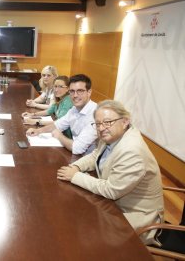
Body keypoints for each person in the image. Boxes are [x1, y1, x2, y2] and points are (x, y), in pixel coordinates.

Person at [57, 100, 164, 245]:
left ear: (125, 121)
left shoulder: (132, 151)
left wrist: (75, 176)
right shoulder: (113, 135)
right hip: (114, 204)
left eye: (108, 122)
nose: (102, 128)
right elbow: (95, 155)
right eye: (98, 123)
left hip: (137, 217)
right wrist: (76, 167)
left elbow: (111, 190)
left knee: (84, 234)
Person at [26, 74, 97, 155]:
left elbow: (77, 148)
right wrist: (38, 131)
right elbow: (58, 124)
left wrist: (59, 136)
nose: (75, 95)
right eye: (72, 91)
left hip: (88, 160)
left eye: (80, 91)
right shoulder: (74, 109)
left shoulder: (94, 114)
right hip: (77, 155)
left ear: (89, 92)